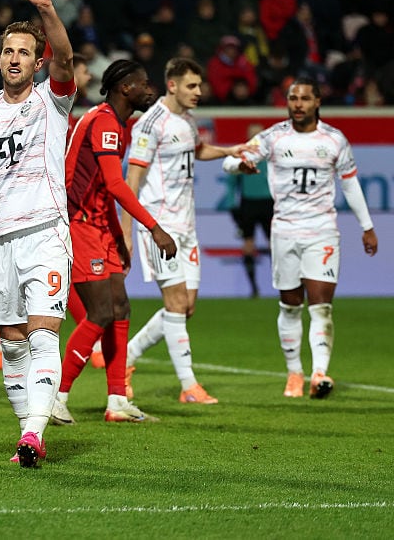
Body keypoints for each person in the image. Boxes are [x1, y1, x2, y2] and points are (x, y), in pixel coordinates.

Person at [0, 0, 76, 468]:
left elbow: (66, 59)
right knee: (11, 343)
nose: (15, 59)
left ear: (38, 62)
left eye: (25, 52)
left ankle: (34, 432)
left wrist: (47, 8)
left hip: (45, 232)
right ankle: (26, 433)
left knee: (43, 333)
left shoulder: (53, 101)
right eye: (8, 51)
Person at [223, 80, 378, 399]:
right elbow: (229, 161)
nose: (298, 104)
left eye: (305, 98)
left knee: (321, 306)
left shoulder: (334, 140)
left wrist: (367, 226)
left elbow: (350, 184)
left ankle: (319, 374)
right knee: (291, 305)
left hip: (322, 231)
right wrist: (241, 164)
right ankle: (294, 372)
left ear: (317, 101)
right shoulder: (273, 137)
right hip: (285, 231)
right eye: (293, 98)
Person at [51, 59, 177, 425]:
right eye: (144, 84)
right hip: (79, 224)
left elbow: (103, 191)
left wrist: (119, 237)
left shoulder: (115, 123)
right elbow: (115, 184)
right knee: (101, 313)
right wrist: (153, 228)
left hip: (99, 227)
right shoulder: (105, 122)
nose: (150, 90)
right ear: (126, 88)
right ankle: (56, 397)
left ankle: (117, 400)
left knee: (120, 308)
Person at [121, 57, 249, 405]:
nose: (199, 91)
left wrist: (230, 151)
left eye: (200, 85)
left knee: (186, 306)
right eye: (192, 85)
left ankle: (127, 356)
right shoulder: (150, 124)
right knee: (176, 303)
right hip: (160, 227)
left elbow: (198, 149)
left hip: (187, 227)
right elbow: (132, 179)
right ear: (172, 85)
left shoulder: (188, 121)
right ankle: (189, 386)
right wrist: (127, 232)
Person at [227, 123, 273, 298]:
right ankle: (253, 287)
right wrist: (232, 205)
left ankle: (283, 283)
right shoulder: (241, 156)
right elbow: (232, 183)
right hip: (248, 203)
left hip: (269, 203)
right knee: (248, 245)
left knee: (275, 245)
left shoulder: (270, 156)